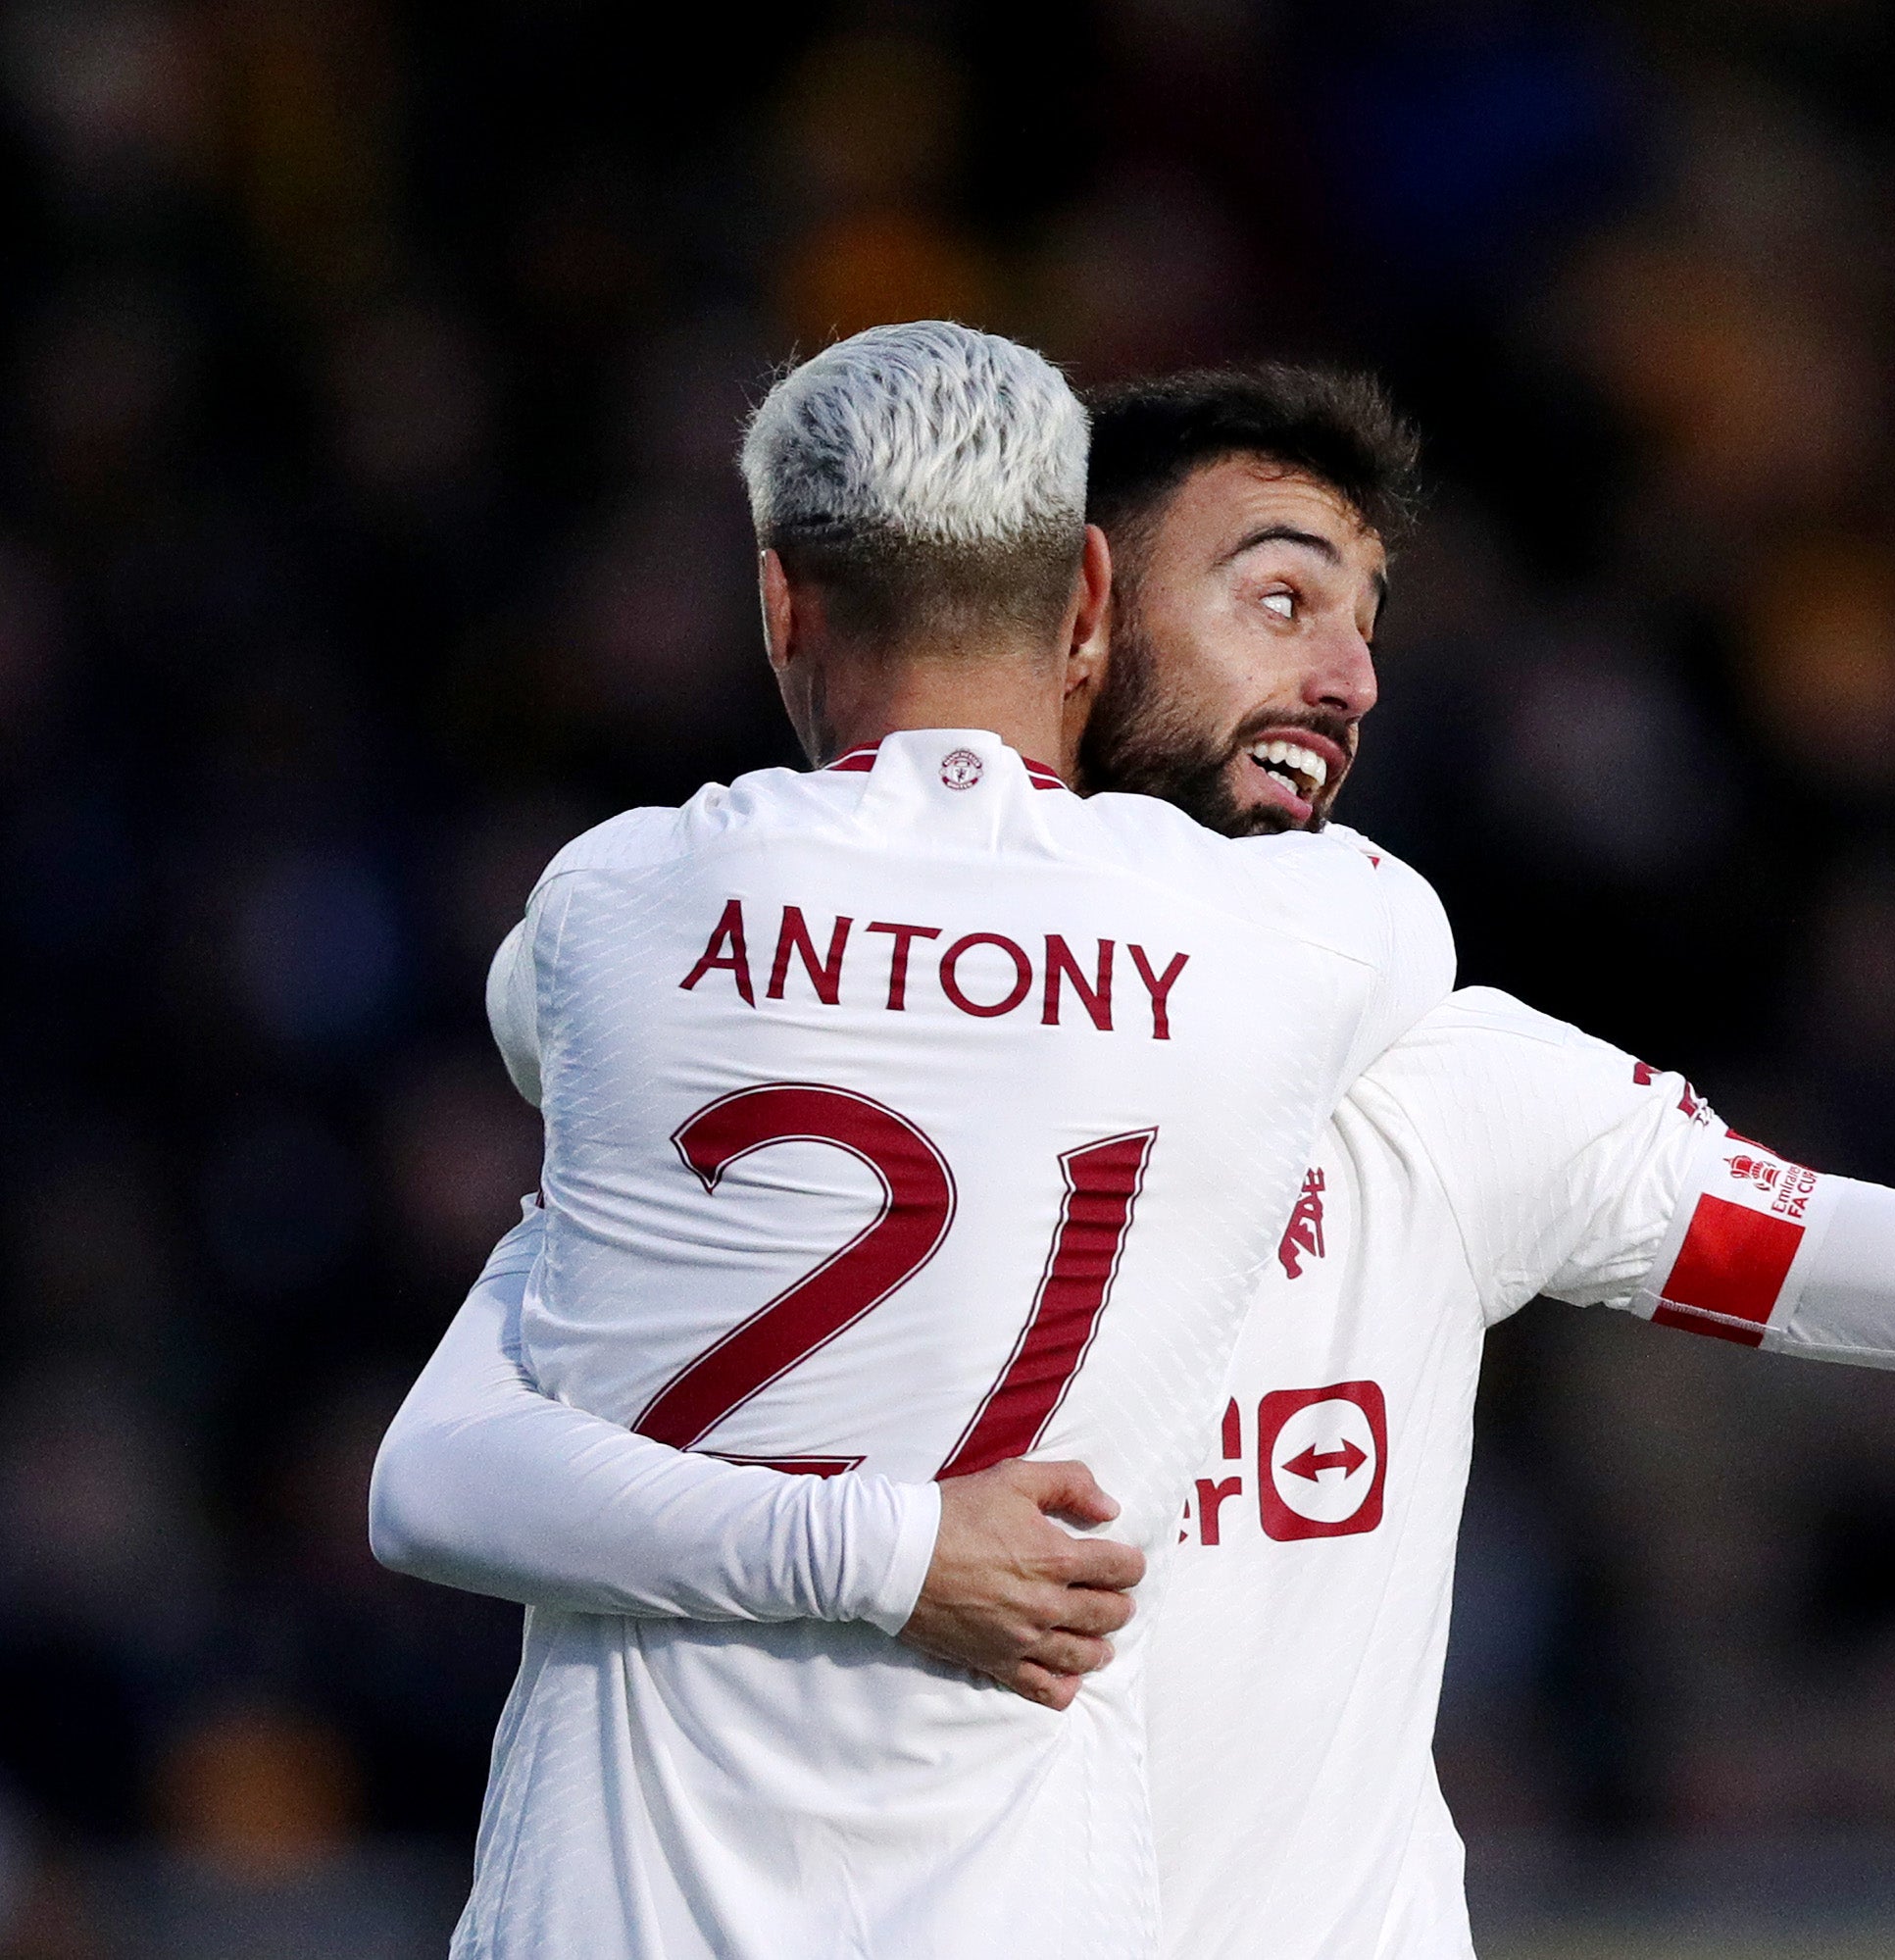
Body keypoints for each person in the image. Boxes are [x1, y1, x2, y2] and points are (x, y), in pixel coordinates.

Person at [374, 365, 1895, 1960]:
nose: (1351, 666)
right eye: (1276, 593)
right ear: (1076, 619)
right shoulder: (770, 1058)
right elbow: (464, 1461)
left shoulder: (1459, 1087)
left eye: (1371, 615)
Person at [435, 328, 1453, 1959]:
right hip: (1007, 1907)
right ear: (1091, 604)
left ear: (780, 603)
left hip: (612, 1911)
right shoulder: (1312, 935)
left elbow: (448, 1438)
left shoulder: (613, 907)